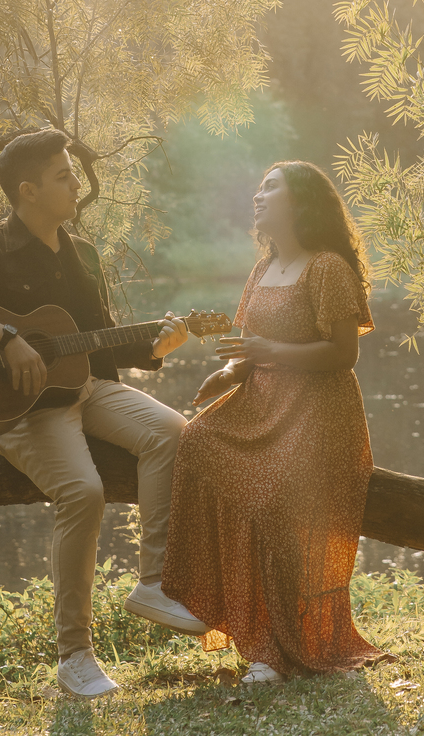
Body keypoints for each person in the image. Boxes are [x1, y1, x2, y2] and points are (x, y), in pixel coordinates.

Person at [0, 128, 207, 699]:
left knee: (174, 431)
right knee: (83, 492)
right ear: (28, 190)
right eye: (64, 175)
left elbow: (96, 339)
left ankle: (153, 583)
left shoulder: (81, 254)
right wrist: (6, 338)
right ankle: (74, 657)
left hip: (82, 387)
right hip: (19, 408)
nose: (77, 184)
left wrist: (157, 347)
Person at [161, 160, 392, 683]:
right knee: (195, 441)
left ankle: (277, 647)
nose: (258, 196)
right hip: (261, 401)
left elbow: (343, 354)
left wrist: (271, 352)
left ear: (301, 202)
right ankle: (212, 606)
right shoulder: (262, 269)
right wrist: (228, 373)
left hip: (318, 407)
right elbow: (250, 350)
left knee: (269, 499)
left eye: (271, 187)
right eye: (259, 188)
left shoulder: (327, 267)